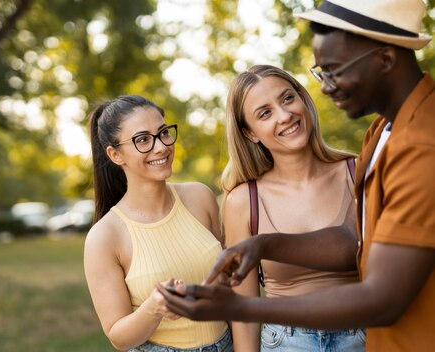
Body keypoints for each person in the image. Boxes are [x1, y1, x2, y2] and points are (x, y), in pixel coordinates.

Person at [157, 1, 435, 351]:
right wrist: (262, 244)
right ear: (249, 132)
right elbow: (353, 235)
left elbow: (384, 298)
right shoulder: (380, 134)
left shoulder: (423, 147)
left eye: (333, 71)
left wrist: (243, 306)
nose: (327, 88)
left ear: (385, 59)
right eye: (321, 74)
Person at [218, 64, 364, 351]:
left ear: (303, 99)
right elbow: (244, 309)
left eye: (287, 98)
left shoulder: (357, 173)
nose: (285, 116)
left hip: (364, 336)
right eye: (265, 113)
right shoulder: (243, 202)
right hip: (287, 342)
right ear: (250, 133)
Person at [84, 95, 232, 351]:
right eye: (143, 139)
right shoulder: (105, 236)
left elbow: (230, 287)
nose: (161, 147)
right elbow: (118, 336)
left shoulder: (200, 197)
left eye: (163, 133)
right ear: (116, 154)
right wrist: (154, 307)